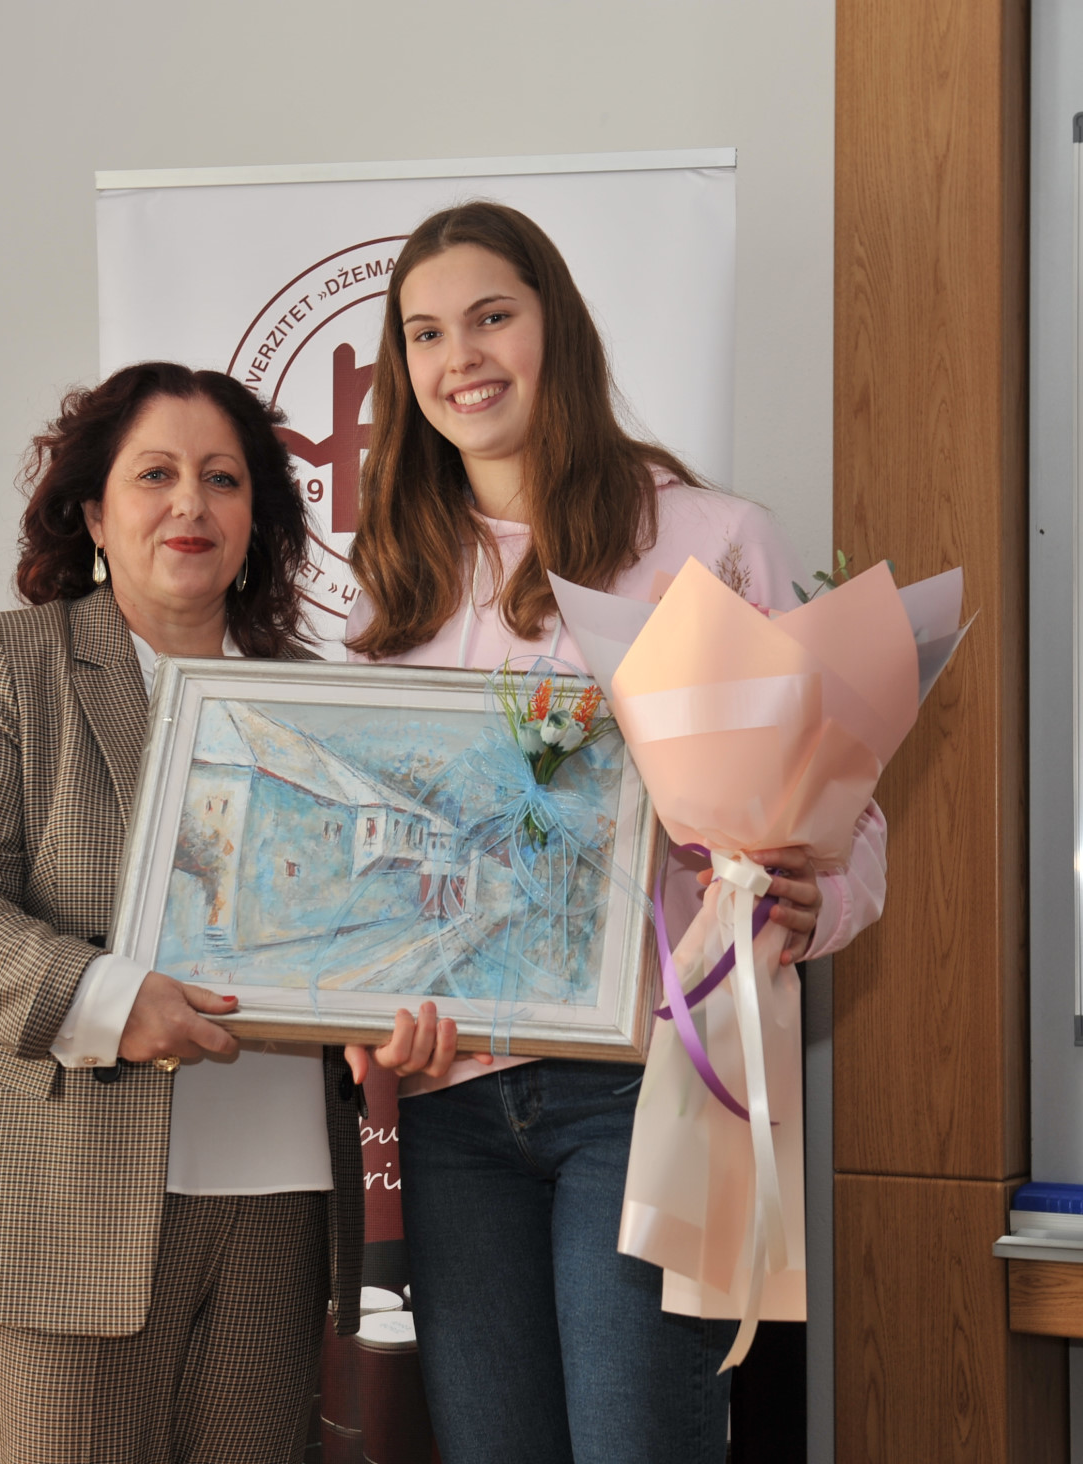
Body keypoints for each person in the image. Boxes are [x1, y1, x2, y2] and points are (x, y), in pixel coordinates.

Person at [343, 202, 888, 1464]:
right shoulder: (396, 573)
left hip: (647, 1090)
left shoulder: (707, 541)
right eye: (426, 333)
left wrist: (825, 901)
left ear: (557, 329)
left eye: (491, 317)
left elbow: (844, 808)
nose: (461, 357)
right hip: (449, 1105)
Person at [0, 363, 365, 1464]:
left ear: (258, 519)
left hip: (280, 1192)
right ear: (93, 512)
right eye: (156, 475)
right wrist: (107, 997)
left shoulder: (320, 700)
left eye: (223, 479)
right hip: (57, 1192)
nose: (191, 503)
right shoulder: (5, 661)